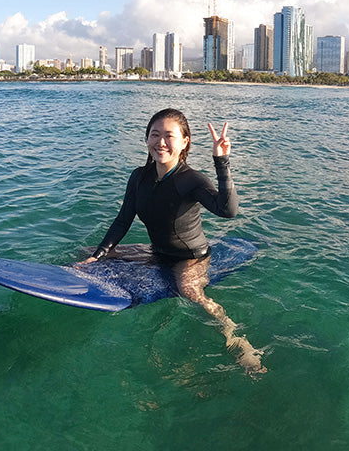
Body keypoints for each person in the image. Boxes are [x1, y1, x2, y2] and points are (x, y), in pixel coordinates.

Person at [77, 108, 265, 374]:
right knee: (85, 254)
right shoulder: (138, 177)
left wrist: (222, 162)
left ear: (185, 141)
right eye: (155, 135)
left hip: (191, 257)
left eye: (169, 135)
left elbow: (228, 210)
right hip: (157, 252)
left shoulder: (192, 180)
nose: (161, 142)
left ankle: (237, 340)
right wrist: (98, 255)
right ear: (147, 139)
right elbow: (122, 220)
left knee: (191, 293)